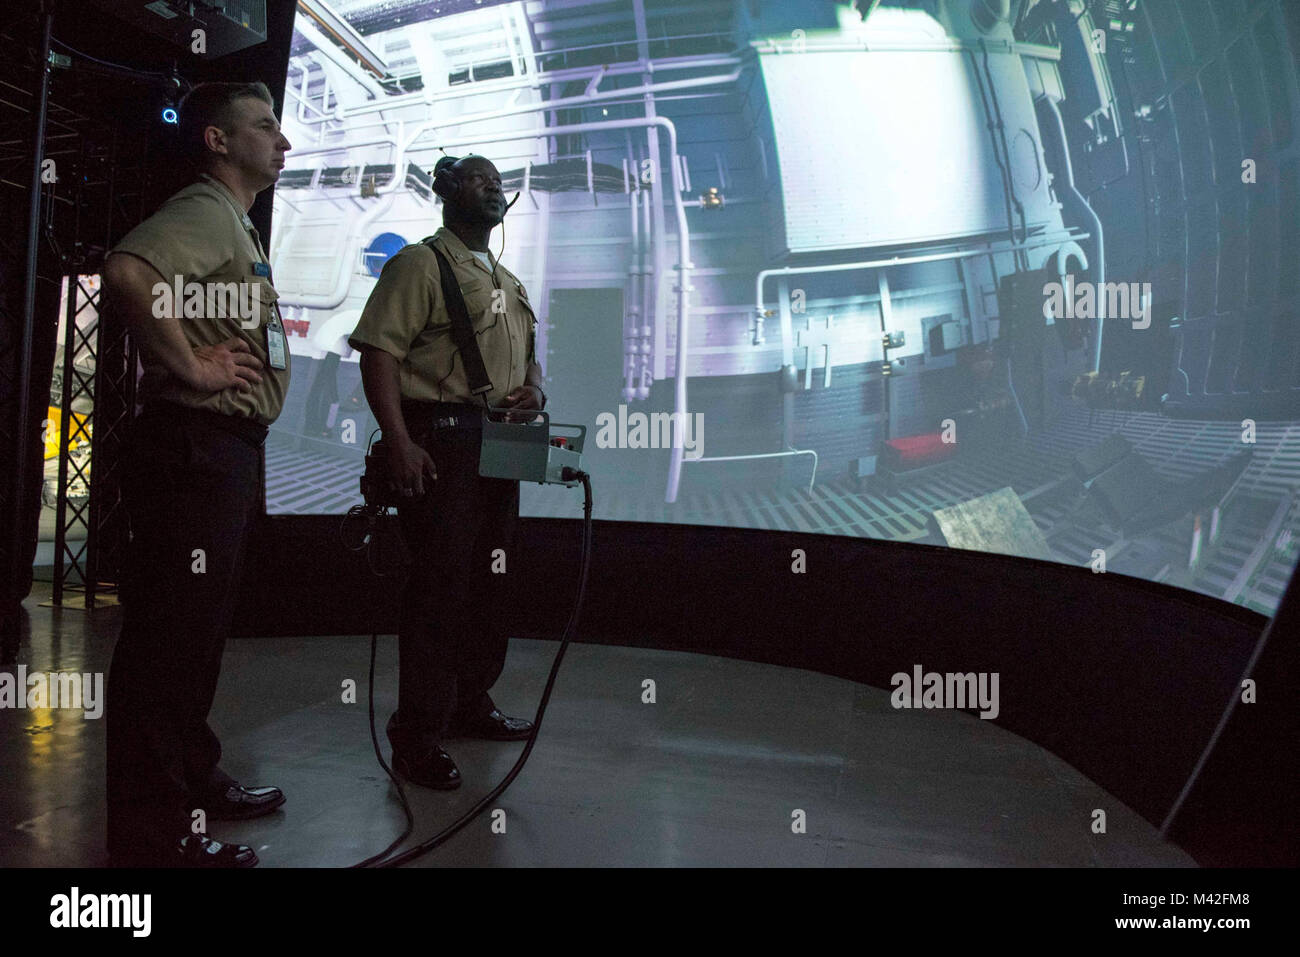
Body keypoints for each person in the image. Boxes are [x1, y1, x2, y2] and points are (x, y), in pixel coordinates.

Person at [102, 81, 292, 867]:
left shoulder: (233, 224)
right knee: (168, 638)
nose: (285, 143)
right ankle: (152, 836)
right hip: (194, 444)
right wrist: (189, 364)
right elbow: (126, 271)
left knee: (198, 633)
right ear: (217, 141)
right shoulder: (206, 209)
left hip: (221, 452)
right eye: (266, 126)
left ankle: (194, 771)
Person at [349, 154, 545, 789]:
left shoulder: (508, 280)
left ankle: (470, 702)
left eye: (498, 180)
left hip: (499, 444)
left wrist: (534, 393)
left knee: (492, 582)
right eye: (478, 177)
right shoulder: (420, 263)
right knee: (439, 591)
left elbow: (530, 363)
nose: (493, 186)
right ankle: (417, 735)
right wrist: (400, 441)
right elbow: (380, 352)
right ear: (445, 191)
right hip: (445, 442)